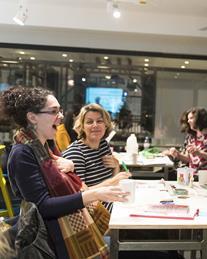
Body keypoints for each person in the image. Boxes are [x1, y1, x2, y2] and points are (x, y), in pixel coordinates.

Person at [0, 86, 129, 258]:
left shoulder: (46, 146)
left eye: (59, 110)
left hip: (64, 230)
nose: (61, 116)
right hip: (51, 240)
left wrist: (71, 166)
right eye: (54, 111)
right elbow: (43, 207)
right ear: (32, 117)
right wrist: (95, 194)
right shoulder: (22, 153)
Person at [63, 103, 131, 211]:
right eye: (89, 122)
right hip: (95, 211)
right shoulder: (76, 153)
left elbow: (113, 181)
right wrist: (112, 181)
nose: (95, 125)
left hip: (112, 201)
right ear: (82, 126)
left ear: (106, 125)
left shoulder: (103, 145)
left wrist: (116, 166)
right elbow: (80, 196)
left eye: (99, 121)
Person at [167, 107, 207, 180]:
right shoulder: (191, 136)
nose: (188, 121)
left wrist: (199, 153)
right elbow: (188, 159)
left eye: (191, 118)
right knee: (169, 175)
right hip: (193, 174)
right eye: (188, 119)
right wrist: (177, 155)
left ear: (200, 119)